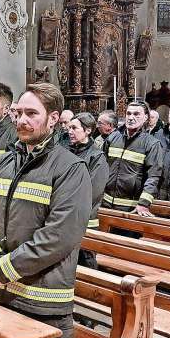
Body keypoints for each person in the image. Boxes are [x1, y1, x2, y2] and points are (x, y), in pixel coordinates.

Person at [0, 83, 91, 338]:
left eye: (31, 114)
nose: (22, 120)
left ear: (53, 119)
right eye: (18, 113)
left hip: (44, 300)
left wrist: (7, 267)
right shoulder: (6, 161)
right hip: (3, 294)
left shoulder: (70, 168)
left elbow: (59, 236)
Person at [103, 101, 162, 218]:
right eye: (128, 114)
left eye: (136, 114)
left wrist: (144, 203)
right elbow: (101, 167)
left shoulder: (151, 143)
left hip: (131, 207)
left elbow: (154, 177)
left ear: (145, 117)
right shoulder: (113, 138)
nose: (131, 118)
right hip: (105, 203)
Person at [67, 112, 108, 266]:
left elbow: (92, 192)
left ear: (88, 130)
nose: (69, 131)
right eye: (69, 127)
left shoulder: (97, 156)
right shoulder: (67, 151)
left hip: (85, 219)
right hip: (66, 217)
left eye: (74, 128)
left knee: (85, 260)